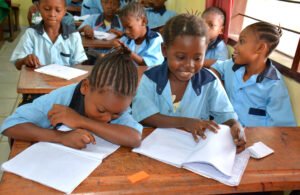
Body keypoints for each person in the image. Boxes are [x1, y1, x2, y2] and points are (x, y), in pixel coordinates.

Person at [132, 14, 245, 152]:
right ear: (164, 50)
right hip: (154, 149)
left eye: (197, 58)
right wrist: (184, 122)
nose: (189, 65)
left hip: (192, 151)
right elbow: (145, 116)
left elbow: (226, 116)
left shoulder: (209, 81)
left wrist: (235, 126)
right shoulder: (151, 78)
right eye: (180, 57)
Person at [1, 48, 142, 149]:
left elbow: (134, 138)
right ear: (85, 87)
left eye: (116, 114)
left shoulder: (114, 105)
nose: (107, 119)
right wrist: (61, 137)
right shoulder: (62, 97)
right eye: (101, 110)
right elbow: (10, 125)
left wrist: (81, 121)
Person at [209, 21, 296, 127]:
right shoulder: (232, 65)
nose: (235, 46)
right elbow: (215, 68)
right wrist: (221, 91)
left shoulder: (274, 85)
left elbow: (283, 129)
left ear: (260, 48)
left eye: (241, 41)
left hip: (251, 141)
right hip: (222, 131)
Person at [116, 2, 164, 66]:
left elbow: (151, 65)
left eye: (130, 27)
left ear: (143, 21)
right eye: (124, 28)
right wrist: (116, 48)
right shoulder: (126, 39)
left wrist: (130, 54)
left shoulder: (155, 38)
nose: (126, 31)